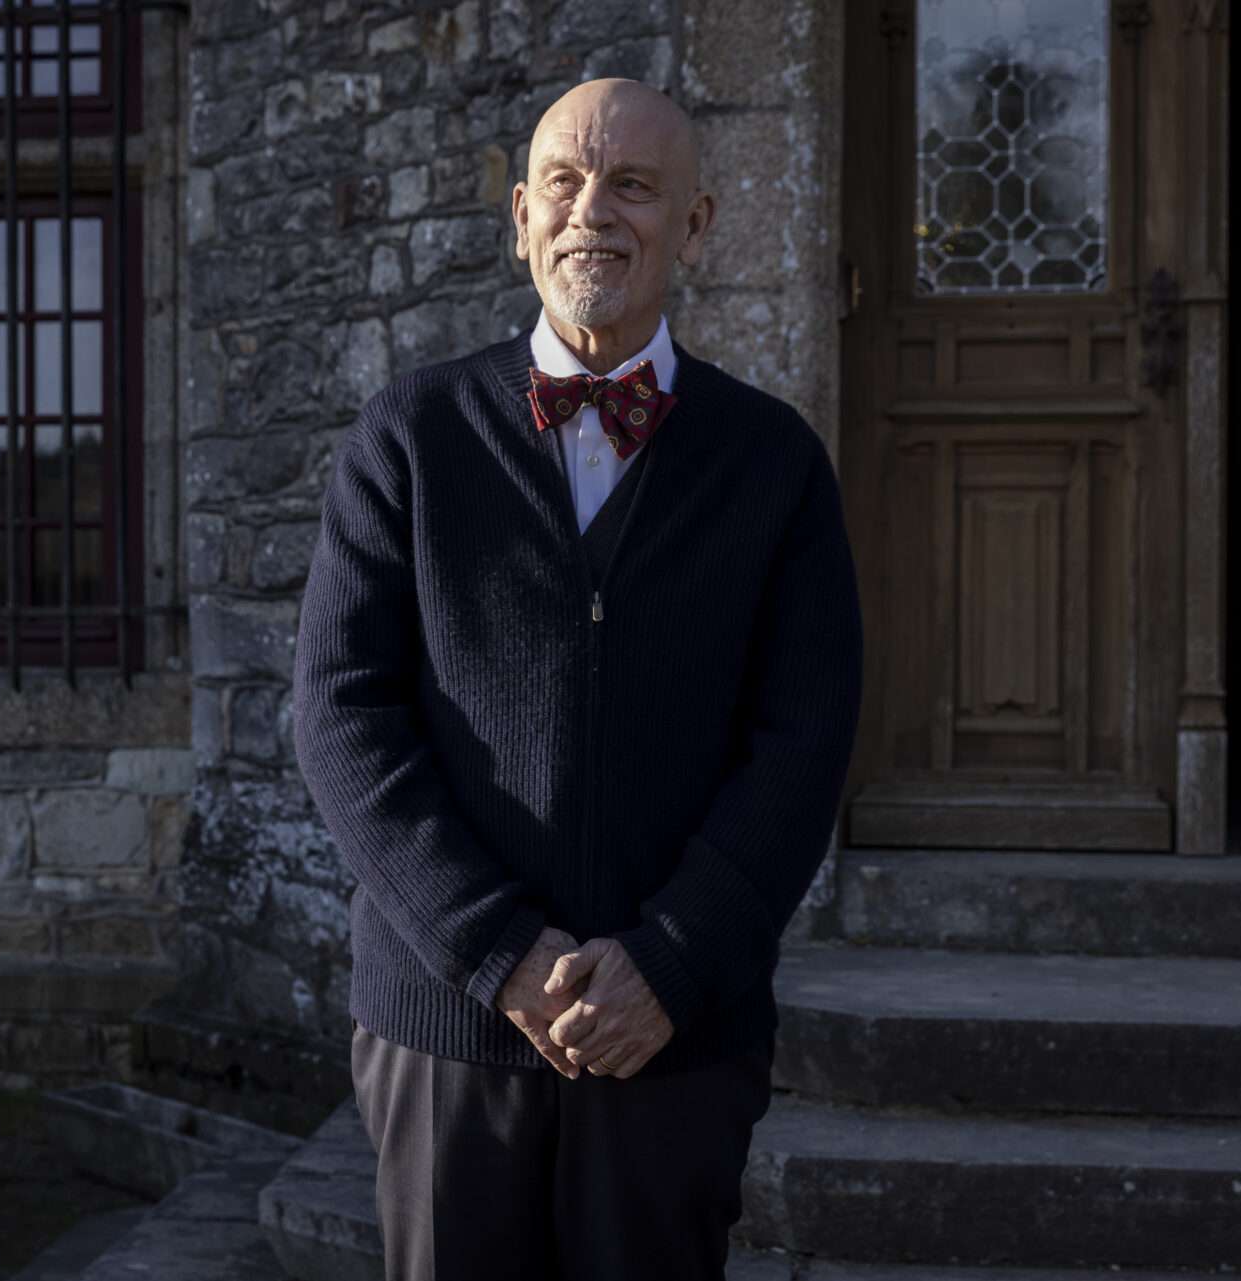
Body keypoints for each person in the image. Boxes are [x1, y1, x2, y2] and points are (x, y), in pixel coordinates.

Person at [290, 77, 864, 1280]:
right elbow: (343, 719)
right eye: (563, 182)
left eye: (634, 186)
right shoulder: (409, 435)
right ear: (519, 217)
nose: (591, 212)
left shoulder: (776, 465)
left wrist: (672, 958)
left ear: (698, 226)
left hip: (677, 1032)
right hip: (447, 1027)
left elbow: (804, 742)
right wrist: (497, 952)